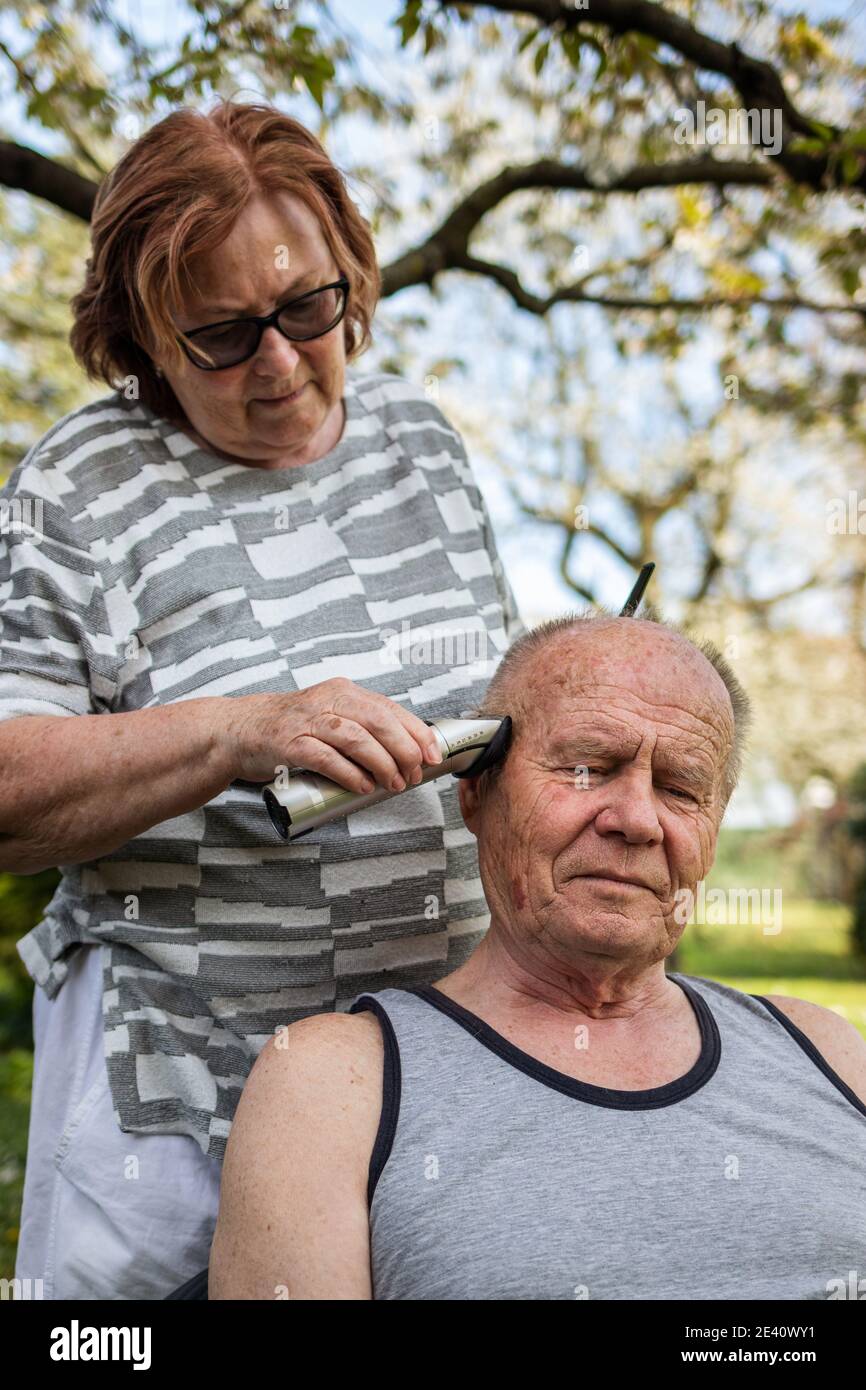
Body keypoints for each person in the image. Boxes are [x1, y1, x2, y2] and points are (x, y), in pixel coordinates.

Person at [3, 98, 525, 1300]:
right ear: (141, 334)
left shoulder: (422, 444)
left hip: (425, 1083)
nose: (282, 361)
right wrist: (240, 729)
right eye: (224, 336)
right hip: (179, 1110)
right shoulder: (78, 486)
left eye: (306, 307)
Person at [210, 610, 866, 1300]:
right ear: (475, 788)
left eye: (679, 787)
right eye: (586, 769)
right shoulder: (333, 1085)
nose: (638, 819)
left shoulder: (824, 1049)